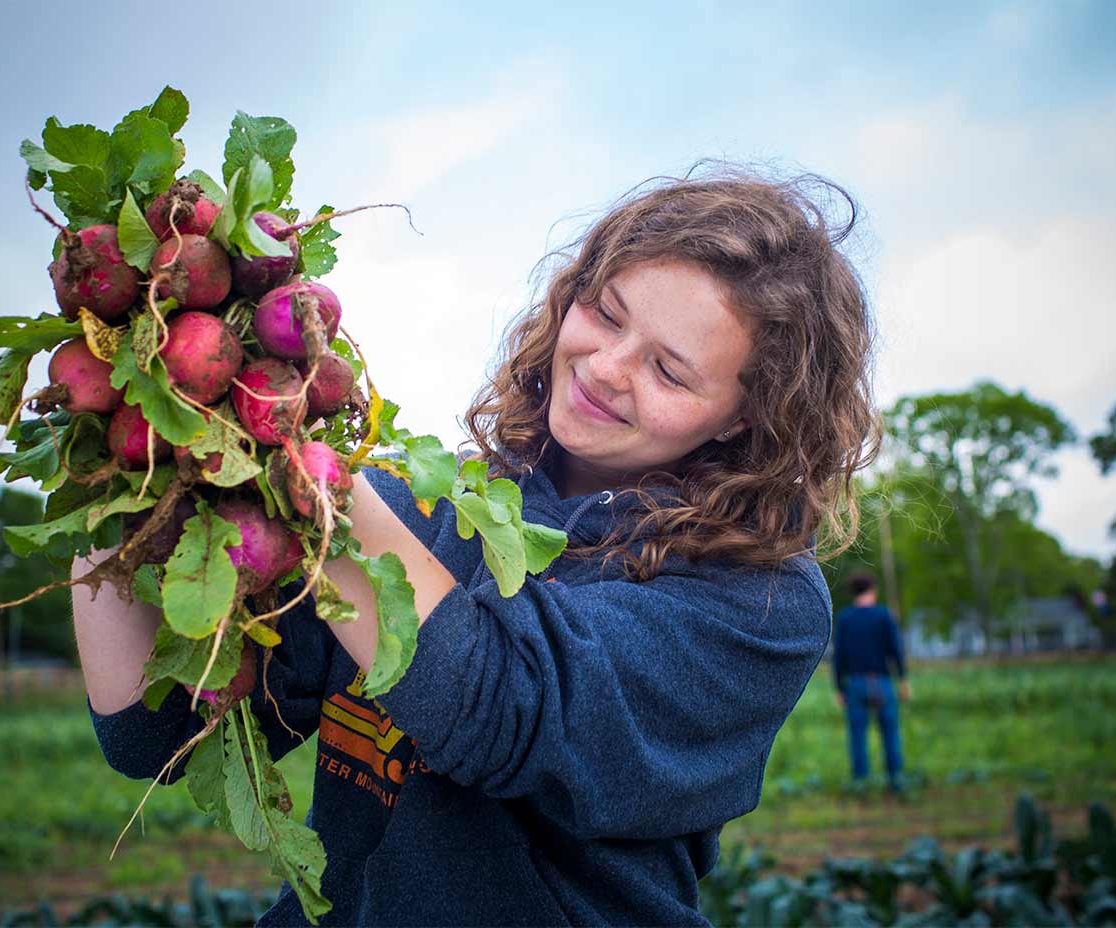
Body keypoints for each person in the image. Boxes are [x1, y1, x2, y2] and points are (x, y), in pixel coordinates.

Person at [75, 164, 878, 926]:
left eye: (668, 370)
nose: (605, 367)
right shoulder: (426, 507)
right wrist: (116, 468)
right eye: (604, 311)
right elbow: (161, 729)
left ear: (742, 417)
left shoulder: (756, 600)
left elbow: (497, 704)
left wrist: (299, 454)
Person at [831, 571, 910, 793]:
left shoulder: (845, 618)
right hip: (882, 681)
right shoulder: (884, 615)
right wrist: (903, 680)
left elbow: (839, 656)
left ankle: (861, 783)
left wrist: (838, 687)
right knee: (890, 733)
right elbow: (896, 650)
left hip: (855, 684)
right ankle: (895, 781)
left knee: (857, 736)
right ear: (873, 590)